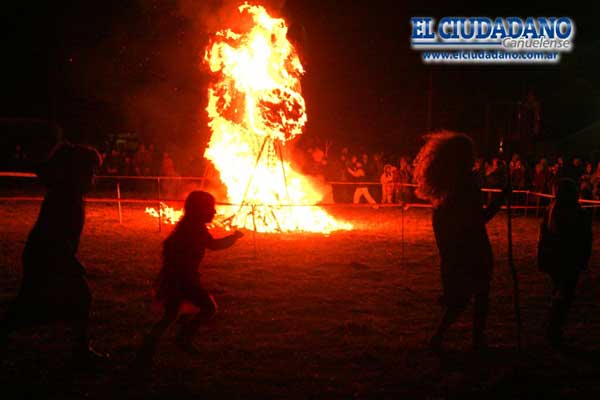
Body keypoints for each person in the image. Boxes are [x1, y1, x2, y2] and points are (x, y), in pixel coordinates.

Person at [0, 143, 107, 364]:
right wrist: (69, 260)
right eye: (90, 170)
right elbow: (55, 233)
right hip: (47, 255)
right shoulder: (65, 196)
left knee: (34, 303)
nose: (94, 176)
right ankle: (80, 351)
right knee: (77, 297)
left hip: (45, 254)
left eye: (95, 171)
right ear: (76, 171)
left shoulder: (70, 193)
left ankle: (78, 348)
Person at [413, 131, 505, 352]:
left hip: (460, 250)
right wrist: (499, 201)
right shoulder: (463, 185)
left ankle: (453, 337)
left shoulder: (450, 186)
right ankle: (465, 339)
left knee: (468, 296)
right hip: (471, 247)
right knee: (475, 294)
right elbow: (477, 219)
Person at [136, 191, 243, 364]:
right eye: (211, 208)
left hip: (177, 278)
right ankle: (183, 338)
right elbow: (213, 245)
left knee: (170, 315)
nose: (214, 212)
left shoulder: (192, 226)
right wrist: (234, 238)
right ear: (200, 209)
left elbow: (206, 245)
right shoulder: (193, 229)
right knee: (208, 307)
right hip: (184, 279)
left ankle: (150, 343)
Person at [537, 179, 592, 347]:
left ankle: (553, 329)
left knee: (560, 293)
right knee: (564, 295)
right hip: (567, 260)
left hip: (555, 260)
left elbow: (543, 237)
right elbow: (582, 239)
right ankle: (553, 330)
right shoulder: (574, 213)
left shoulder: (551, 210)